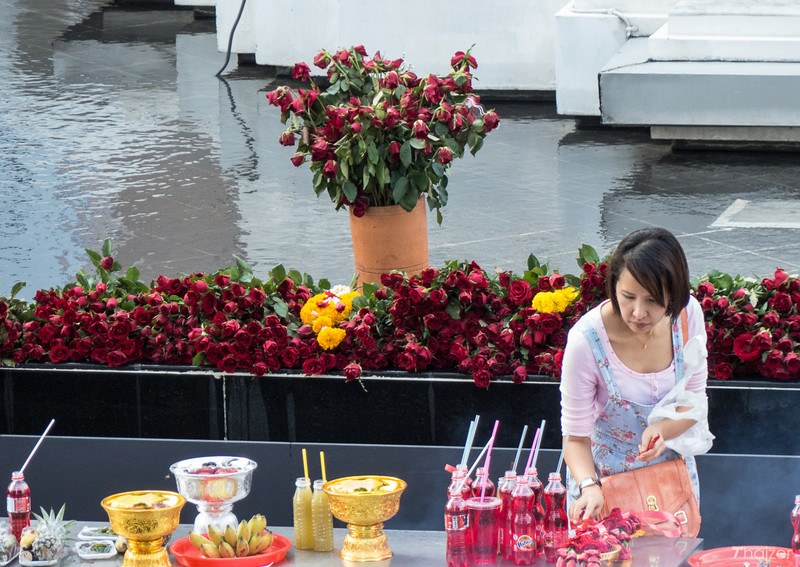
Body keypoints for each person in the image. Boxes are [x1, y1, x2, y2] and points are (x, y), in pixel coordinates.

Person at [560, 227, 709, 523]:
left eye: (653, 300)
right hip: (602, 488)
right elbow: (575, 439)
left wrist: (663, 430)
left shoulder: (687, 315)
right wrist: (589, 486)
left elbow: (695, 401)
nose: (638, 312)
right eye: (628, 297)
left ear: (674, 295)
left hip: (671, 487)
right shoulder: (585, 340)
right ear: (613, 286)